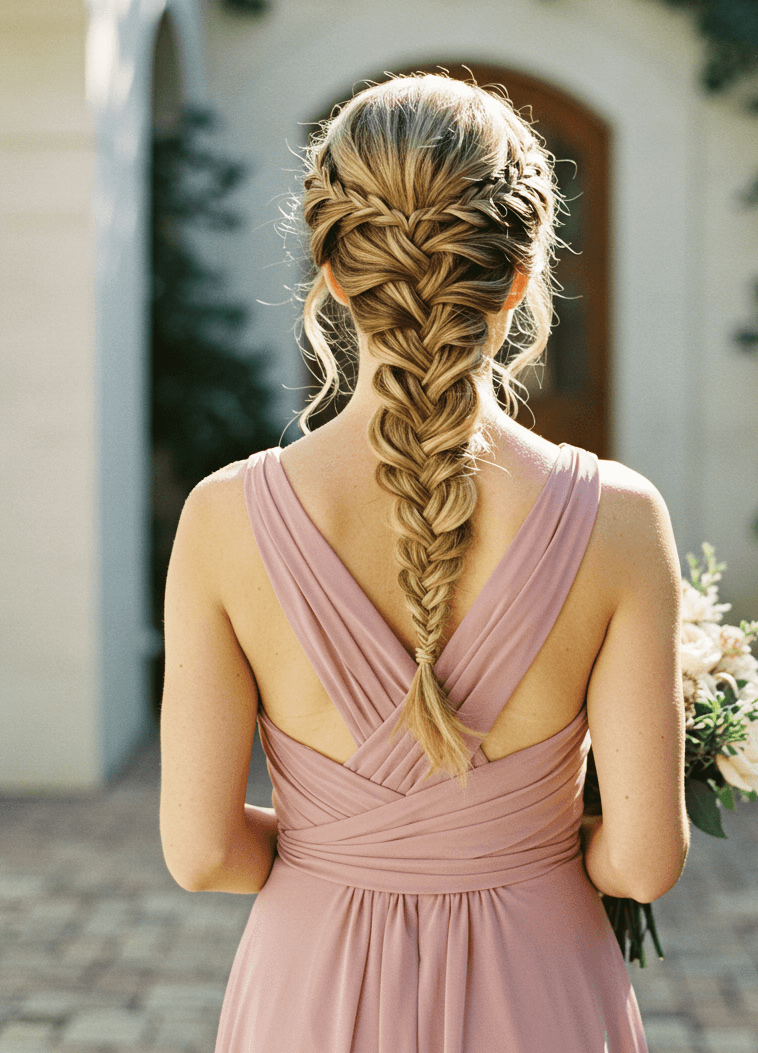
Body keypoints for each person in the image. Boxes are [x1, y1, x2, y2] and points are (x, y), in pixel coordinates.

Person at [159, 73, 688, 1053]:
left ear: (331, 268)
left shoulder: (222, 517)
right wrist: (509, 840)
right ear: (521, 274)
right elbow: (644, 861)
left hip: (310, 983)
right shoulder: (619, 518)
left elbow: (202, 854)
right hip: (541, 980)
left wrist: (348, 847)